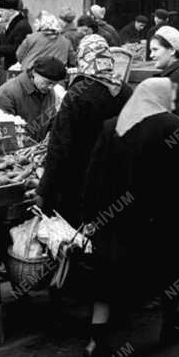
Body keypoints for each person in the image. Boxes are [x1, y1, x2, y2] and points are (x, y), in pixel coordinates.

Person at [81, 78, 179, 357]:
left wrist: (91, 217)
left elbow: (93, 176)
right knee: (169, 271)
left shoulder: (112, 126)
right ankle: (171, 326)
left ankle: (96, 341)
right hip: (159, 219)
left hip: (115, 219)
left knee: (106, 279)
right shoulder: (174, 126)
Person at [37, 35, 132, 226]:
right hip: (115, 178)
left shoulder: (78, 93)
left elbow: (60, 146)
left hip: (78, 179)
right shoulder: (126, 90)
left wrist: (45, 190)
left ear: (83, 59)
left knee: (75, 233)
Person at [0, 56, 65, 142]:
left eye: (54, 84)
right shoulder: (8, 92)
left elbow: (51, 119)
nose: (50, 87)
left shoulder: (49, 92)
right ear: (34, 73)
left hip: (36, 149)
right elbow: (2, 131)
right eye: (48, 82)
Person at [0, 0, 31, 70]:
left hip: (15, 67)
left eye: (2, 11)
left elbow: (16, 48)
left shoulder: (22, 26)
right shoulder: (14, 22)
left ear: (11, 11)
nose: (0, 14)